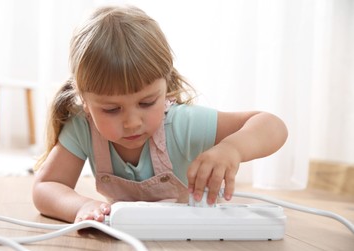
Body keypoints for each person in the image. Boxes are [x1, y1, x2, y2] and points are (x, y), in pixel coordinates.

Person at [32, 5, 288, 224]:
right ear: (85, 102)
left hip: (195, 237)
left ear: (166, 89)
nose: (132, 122)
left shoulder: (181, 123)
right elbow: (45, 187)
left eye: (147, 102)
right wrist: (81, 206)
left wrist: (232, 149)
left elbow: (271, 125)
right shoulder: (82, 127)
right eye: (111, 109)